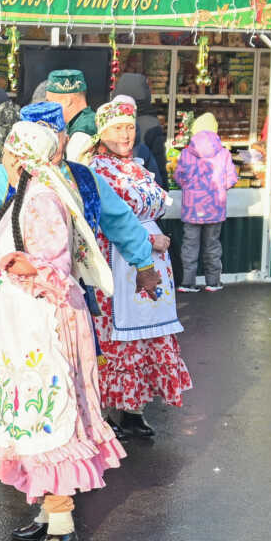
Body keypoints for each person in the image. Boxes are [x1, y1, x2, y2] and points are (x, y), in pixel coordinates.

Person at [0, 121, 125, 541]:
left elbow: (55, 268)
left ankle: (62, 516)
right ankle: (47, 511)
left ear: (23, 158)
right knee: (30, 413)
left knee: (53, 410)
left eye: (11, 156)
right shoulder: (27, 195)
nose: (6, 163)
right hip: (25, 320)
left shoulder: (43, 199)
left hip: (45, 321)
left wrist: (22, 266)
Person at [0, 101, 164, 305]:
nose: (48, 146)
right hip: (19, 294)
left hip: (70, 292)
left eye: (54, 138)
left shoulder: (83, 177)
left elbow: (120, 220)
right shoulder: (9, 173)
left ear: (66, 139)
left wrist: (144, 265)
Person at [85, 96, 190, 439]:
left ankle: (133, 411)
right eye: (118, 128)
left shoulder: (138, 165)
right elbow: (107, 221)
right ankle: (107, 412)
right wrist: (148, 242)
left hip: (150, 266)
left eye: (130, 127)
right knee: (118, 338)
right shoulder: (96, 171)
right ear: (102, 133)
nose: (127, 135)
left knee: (148, 337)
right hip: (119, 265)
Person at [173, 111, 237, 292]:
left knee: (189, 247)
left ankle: (187, 283)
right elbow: (232, 178)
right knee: (212, 246)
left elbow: (178, 176)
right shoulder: (223, 153)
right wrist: (219, 188)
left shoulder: (186, 152)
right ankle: (213, 282)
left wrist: (190, 188)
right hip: (215, 208)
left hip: (192, 208)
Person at [114, 71, 169, 187]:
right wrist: (164, 189)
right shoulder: (152, 124)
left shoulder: (110, 122)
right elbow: (159, 162)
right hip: (143, 188)